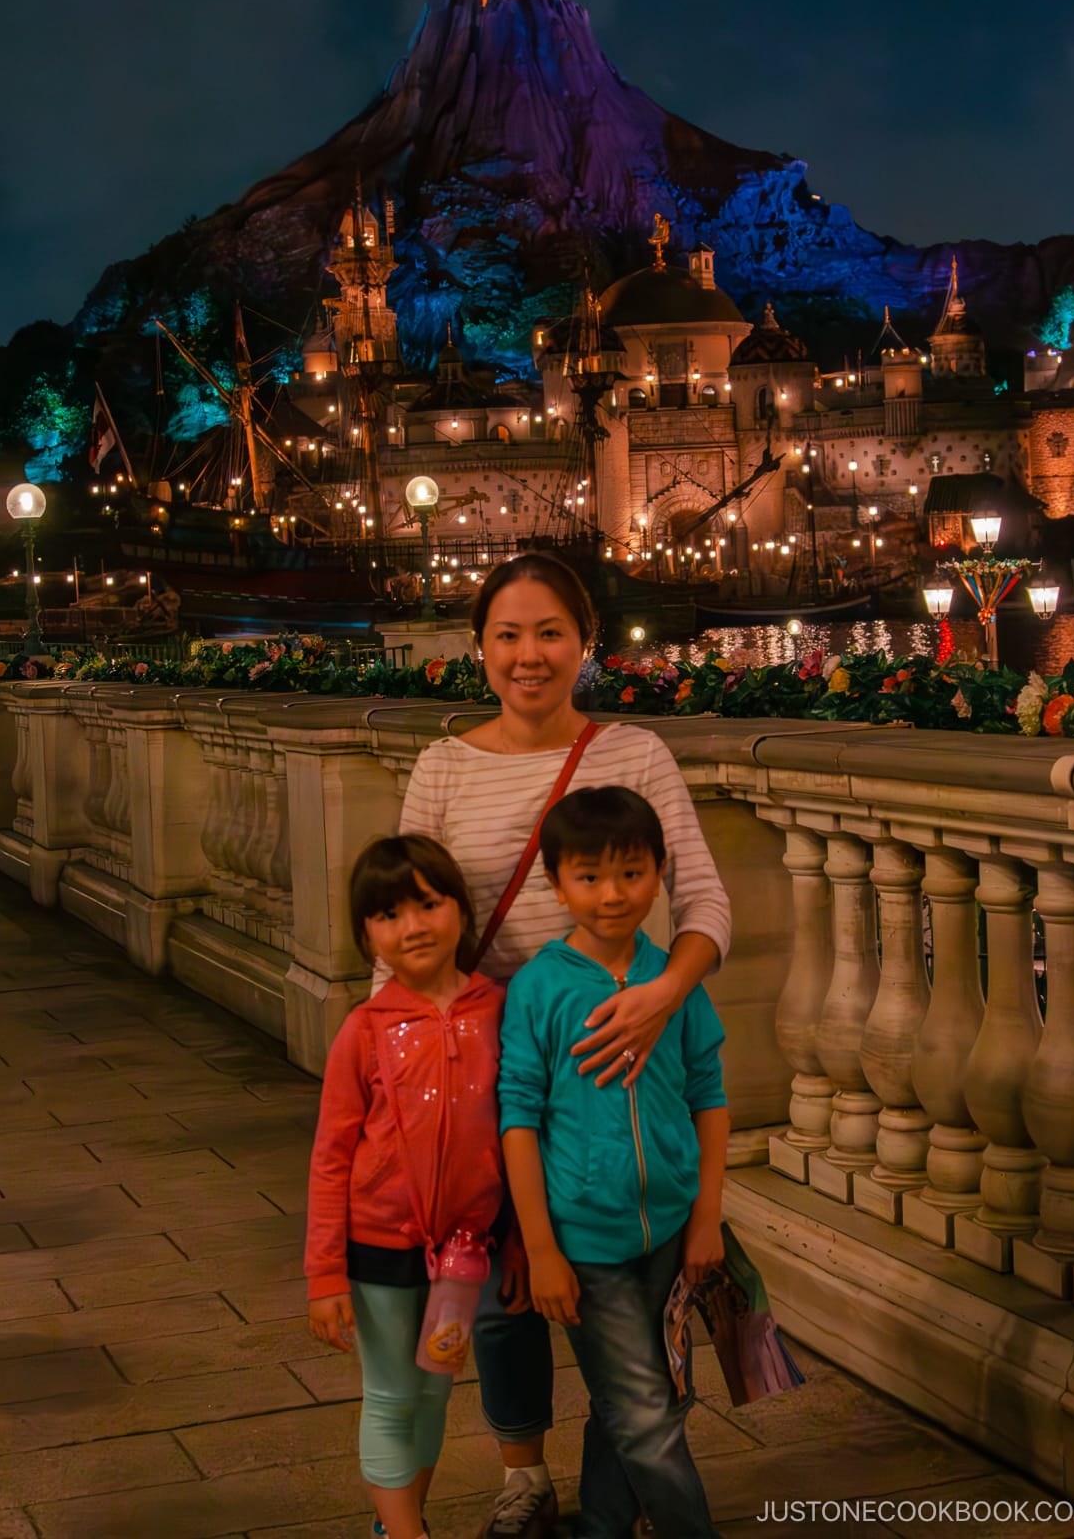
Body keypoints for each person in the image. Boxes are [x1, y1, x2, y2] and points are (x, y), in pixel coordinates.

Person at [397, 553, 731, 1539]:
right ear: (479, 648)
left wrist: (665, 994)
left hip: (615, 1052)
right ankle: (524, 1474)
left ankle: (609, 1489)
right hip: (485, 1065)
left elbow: (705, 898)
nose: (528, 655)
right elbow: (404, 926)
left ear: (585, 643)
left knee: (620, 1286)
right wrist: (399, 1069)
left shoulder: (633, 754)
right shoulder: (442, 766)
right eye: (508, 634)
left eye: (550, 633)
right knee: (503, 1286)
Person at [499, 786, 729, 1538]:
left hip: (668, 1231)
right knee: (646, 1412)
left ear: (660, 872)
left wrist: (706, 1222)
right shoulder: (540, 988)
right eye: (589, 877)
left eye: (631, 873)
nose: (612, 895)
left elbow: (710, 1097)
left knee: (634, 1401)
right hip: (582, 1244)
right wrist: (540, 1249)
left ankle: (602, 1528)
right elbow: (519, 1120)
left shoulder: (675, 983)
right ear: (555, 882)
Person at [306, 834, 510, 1539]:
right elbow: (331, 1157)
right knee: (392, 1396)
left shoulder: (498, 1010)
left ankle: (397, 1524)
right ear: (366, 934)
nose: (413, 926)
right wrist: (324, 1273)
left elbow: (516, 1137)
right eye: (389, 914)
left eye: (428, 904)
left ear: (461, 909)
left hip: (465, 1255)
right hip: (378, 1249)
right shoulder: (364, 1030)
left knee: (433, 1395)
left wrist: (514, 1245)